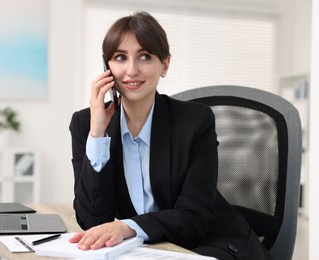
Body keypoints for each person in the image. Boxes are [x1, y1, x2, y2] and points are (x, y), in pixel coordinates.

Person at [69, 11, 272, 260]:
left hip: (213, 242)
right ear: (107, 68)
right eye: (120, 57)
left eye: (144, 56)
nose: (131, 70)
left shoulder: (196, 121)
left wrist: (128, 227)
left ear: (164, 65)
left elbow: (194, 216)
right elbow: (92, 220)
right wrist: (98, 135)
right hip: (151, 250)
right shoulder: (85, 125)